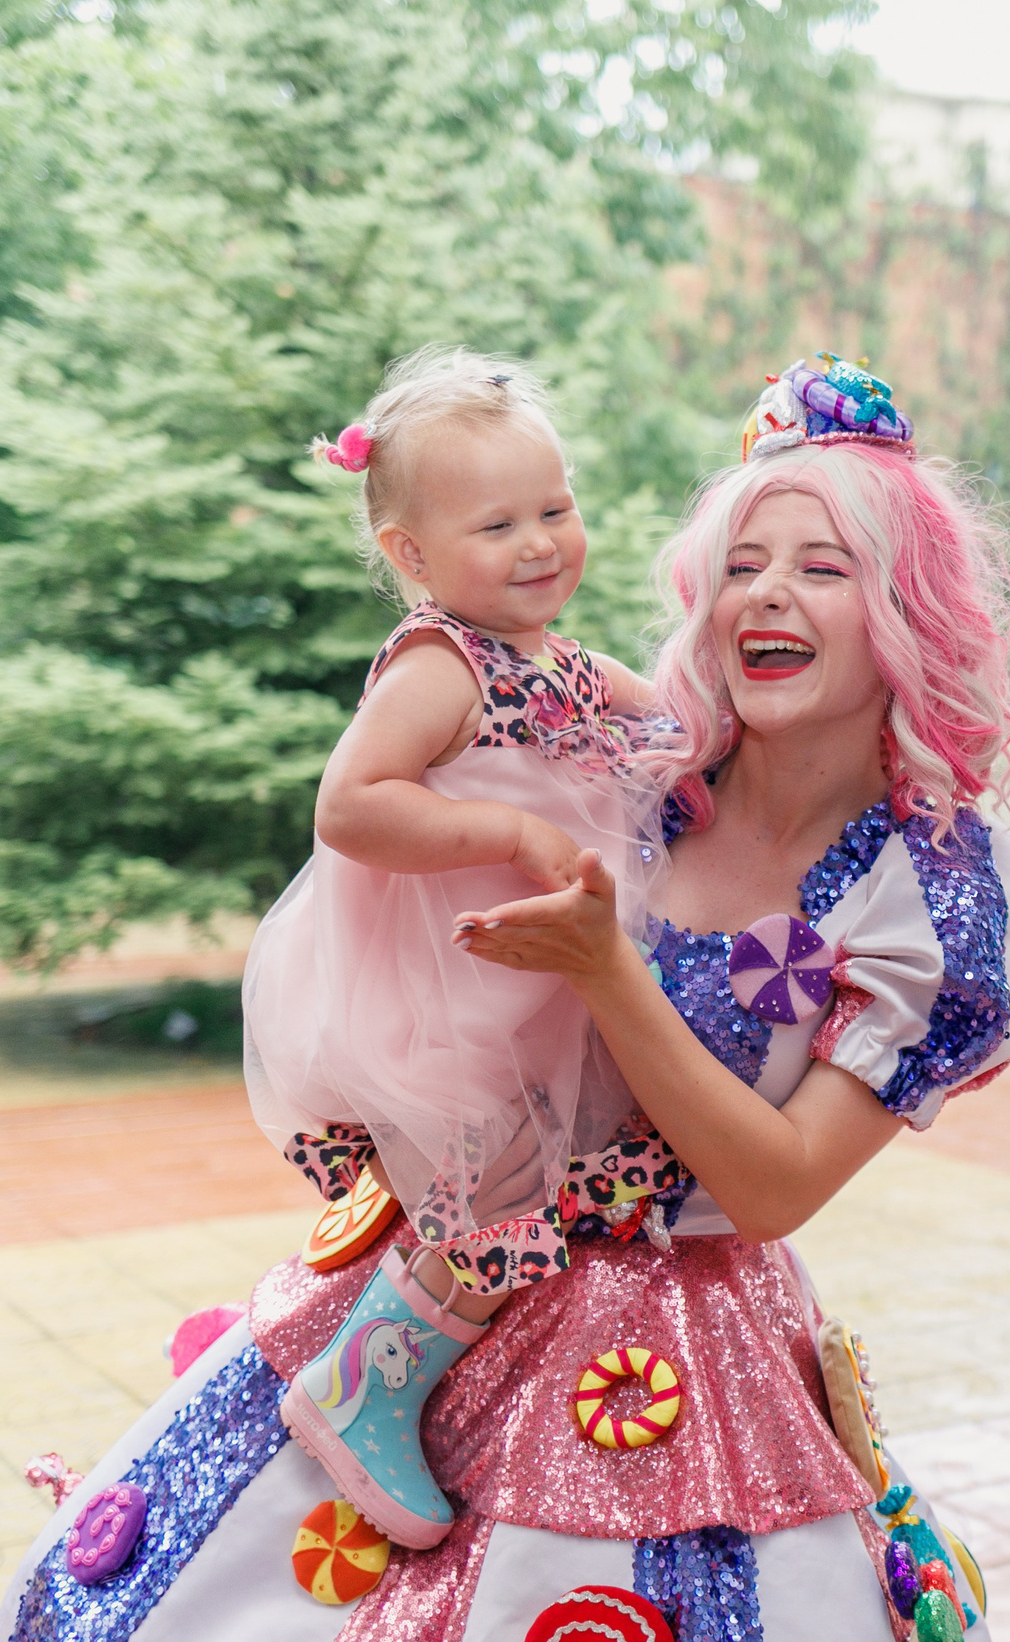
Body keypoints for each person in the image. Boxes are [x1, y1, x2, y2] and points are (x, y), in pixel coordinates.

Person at [0, 354, 1010, 1642]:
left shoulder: (936, 886)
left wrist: (610, 969)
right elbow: (406, 798)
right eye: (741, 563)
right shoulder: (650, 768)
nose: (768, 595)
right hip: (467, 1254)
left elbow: (773, 1185)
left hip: (687, 1348)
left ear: (905, 609)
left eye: (823, 566)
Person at [241, 346, 664, 1552]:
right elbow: (351, 803)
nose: (540, 543)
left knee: (550, 1176)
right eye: (498, 524)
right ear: (413, 557)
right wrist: (500, 824)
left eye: (556, 509)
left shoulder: (562, 661)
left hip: (538, 977)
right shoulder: (440, 664)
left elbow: (680, 723)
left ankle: (423, 1370)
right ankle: (369, 1382)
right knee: (494, 1191)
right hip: (450, 984)